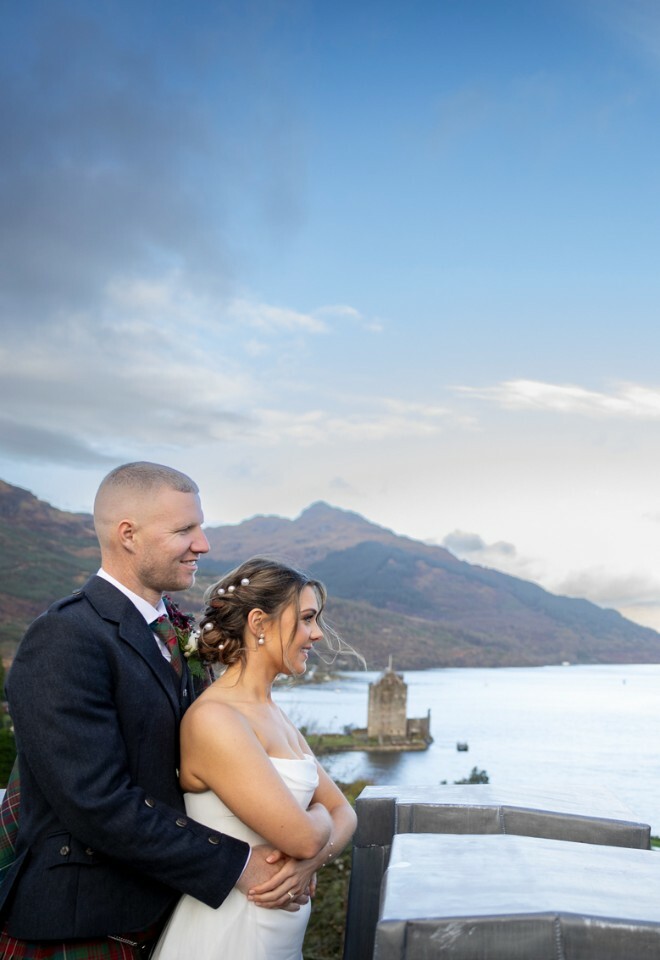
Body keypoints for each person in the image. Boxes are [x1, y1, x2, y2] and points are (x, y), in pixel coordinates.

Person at [0, 462, 299, 959]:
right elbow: (95, 800)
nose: (203, 544)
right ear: (128, 535)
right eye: (185, 530)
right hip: (85, 922)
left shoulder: (176, 631)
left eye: (200, 527)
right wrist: (240, 866)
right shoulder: (65, 637)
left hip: (171, 911)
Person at [151, 556, 358, 960]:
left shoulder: (274, 715)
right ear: (259, 623)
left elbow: (345, 812)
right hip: (231, 935)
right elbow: (306, 834)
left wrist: (305, 865)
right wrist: (312, 843)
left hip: (276, 935)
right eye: (306, 619)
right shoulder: (217, 719)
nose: (316, 634)